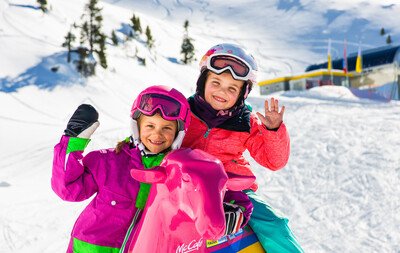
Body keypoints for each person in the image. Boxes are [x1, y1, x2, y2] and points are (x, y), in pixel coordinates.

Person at [51, 85, 252, 253]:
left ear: (179, 133)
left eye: (167, 128)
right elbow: (68, 189)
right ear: (137, 127)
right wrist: (73, 141)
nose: (157, 135)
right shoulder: (109, 161)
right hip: (92, 248)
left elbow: (219, 188)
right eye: (150, 126)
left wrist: (236, 212)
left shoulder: (183, 169)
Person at [181, 43, 304, 253]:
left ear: (242, 94)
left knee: (275, 224)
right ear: (203, 82)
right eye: (216, 82)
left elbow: (274, 161)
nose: (222, 92)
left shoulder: (245, 122)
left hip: (232, 189)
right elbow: (156, 134)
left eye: (232, 88)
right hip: (181, 185)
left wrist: (273, 130)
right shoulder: (183, 111)